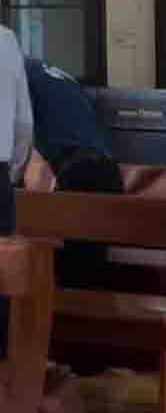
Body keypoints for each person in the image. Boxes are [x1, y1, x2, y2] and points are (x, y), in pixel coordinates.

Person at [20, 59, 124, 289]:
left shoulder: (11, 76)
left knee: (65, 285)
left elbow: (34, 166)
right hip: (107, 175)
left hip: (74, 177)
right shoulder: (47, 71)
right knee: (89, 282)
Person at [0, 27, 33, 359]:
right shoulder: (6, 41)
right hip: (0, 174)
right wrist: (10, 174)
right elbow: (24, 124)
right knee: (2, 273)